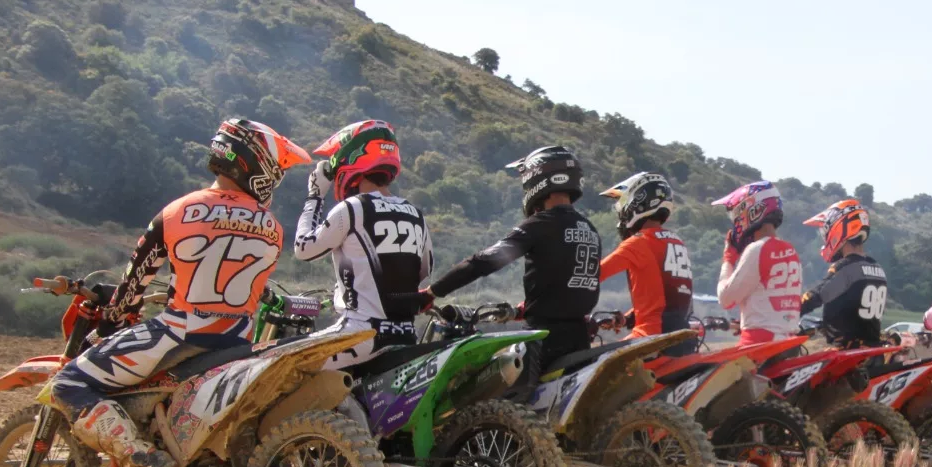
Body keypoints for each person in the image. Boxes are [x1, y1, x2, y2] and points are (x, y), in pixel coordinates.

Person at [49, 118, 309, 467]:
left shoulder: (176, 212)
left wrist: (113, 320)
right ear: (253, 164)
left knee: (67, 383)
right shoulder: (273, 228)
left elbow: (131, 292)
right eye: (274, 169)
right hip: (238, 342)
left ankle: (142, 459)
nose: (274, 178)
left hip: (180, 333)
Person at [424, 146, 601, 372]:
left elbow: (485, 261)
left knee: (491, 398)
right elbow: (565, 278)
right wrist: (523, 308)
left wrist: (433, 292)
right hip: (579, 338)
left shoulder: (542, 224)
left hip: (543, 338)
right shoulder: (590, 229)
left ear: (534, 180)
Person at [294, 120, 432, 368]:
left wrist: (315, 195)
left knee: (284, 364)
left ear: (349, 160)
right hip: (406, 334)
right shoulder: (415, 213)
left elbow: (303, 248)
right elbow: (424, 270)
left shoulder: (353, 208)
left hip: (358, 334)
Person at [598, 172, 695, 353]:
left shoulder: (638, 242)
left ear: (635, 202)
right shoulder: (677, 242)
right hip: (683, 337)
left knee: (592, 362)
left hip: (650, 339)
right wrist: (627, 318)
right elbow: (666, 299)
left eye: (620, 204)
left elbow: (593, 276)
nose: (620, 210)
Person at [712, 181, 803, 346]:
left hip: (758, 343)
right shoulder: (791, 251)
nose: (736, 221)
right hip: (789, 341)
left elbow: (726, 299)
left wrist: (728, 260)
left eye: (736, 215)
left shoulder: (757, 249)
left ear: (751, 211)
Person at [798, 198, 889, 348]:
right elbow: (856, 311)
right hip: (871, 351)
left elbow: (818, 295)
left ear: (838, 228)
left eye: (826, 231)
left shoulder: (846, 267)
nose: (825, 237)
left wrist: (789, 310)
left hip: (847, 354)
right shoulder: (877, 268)